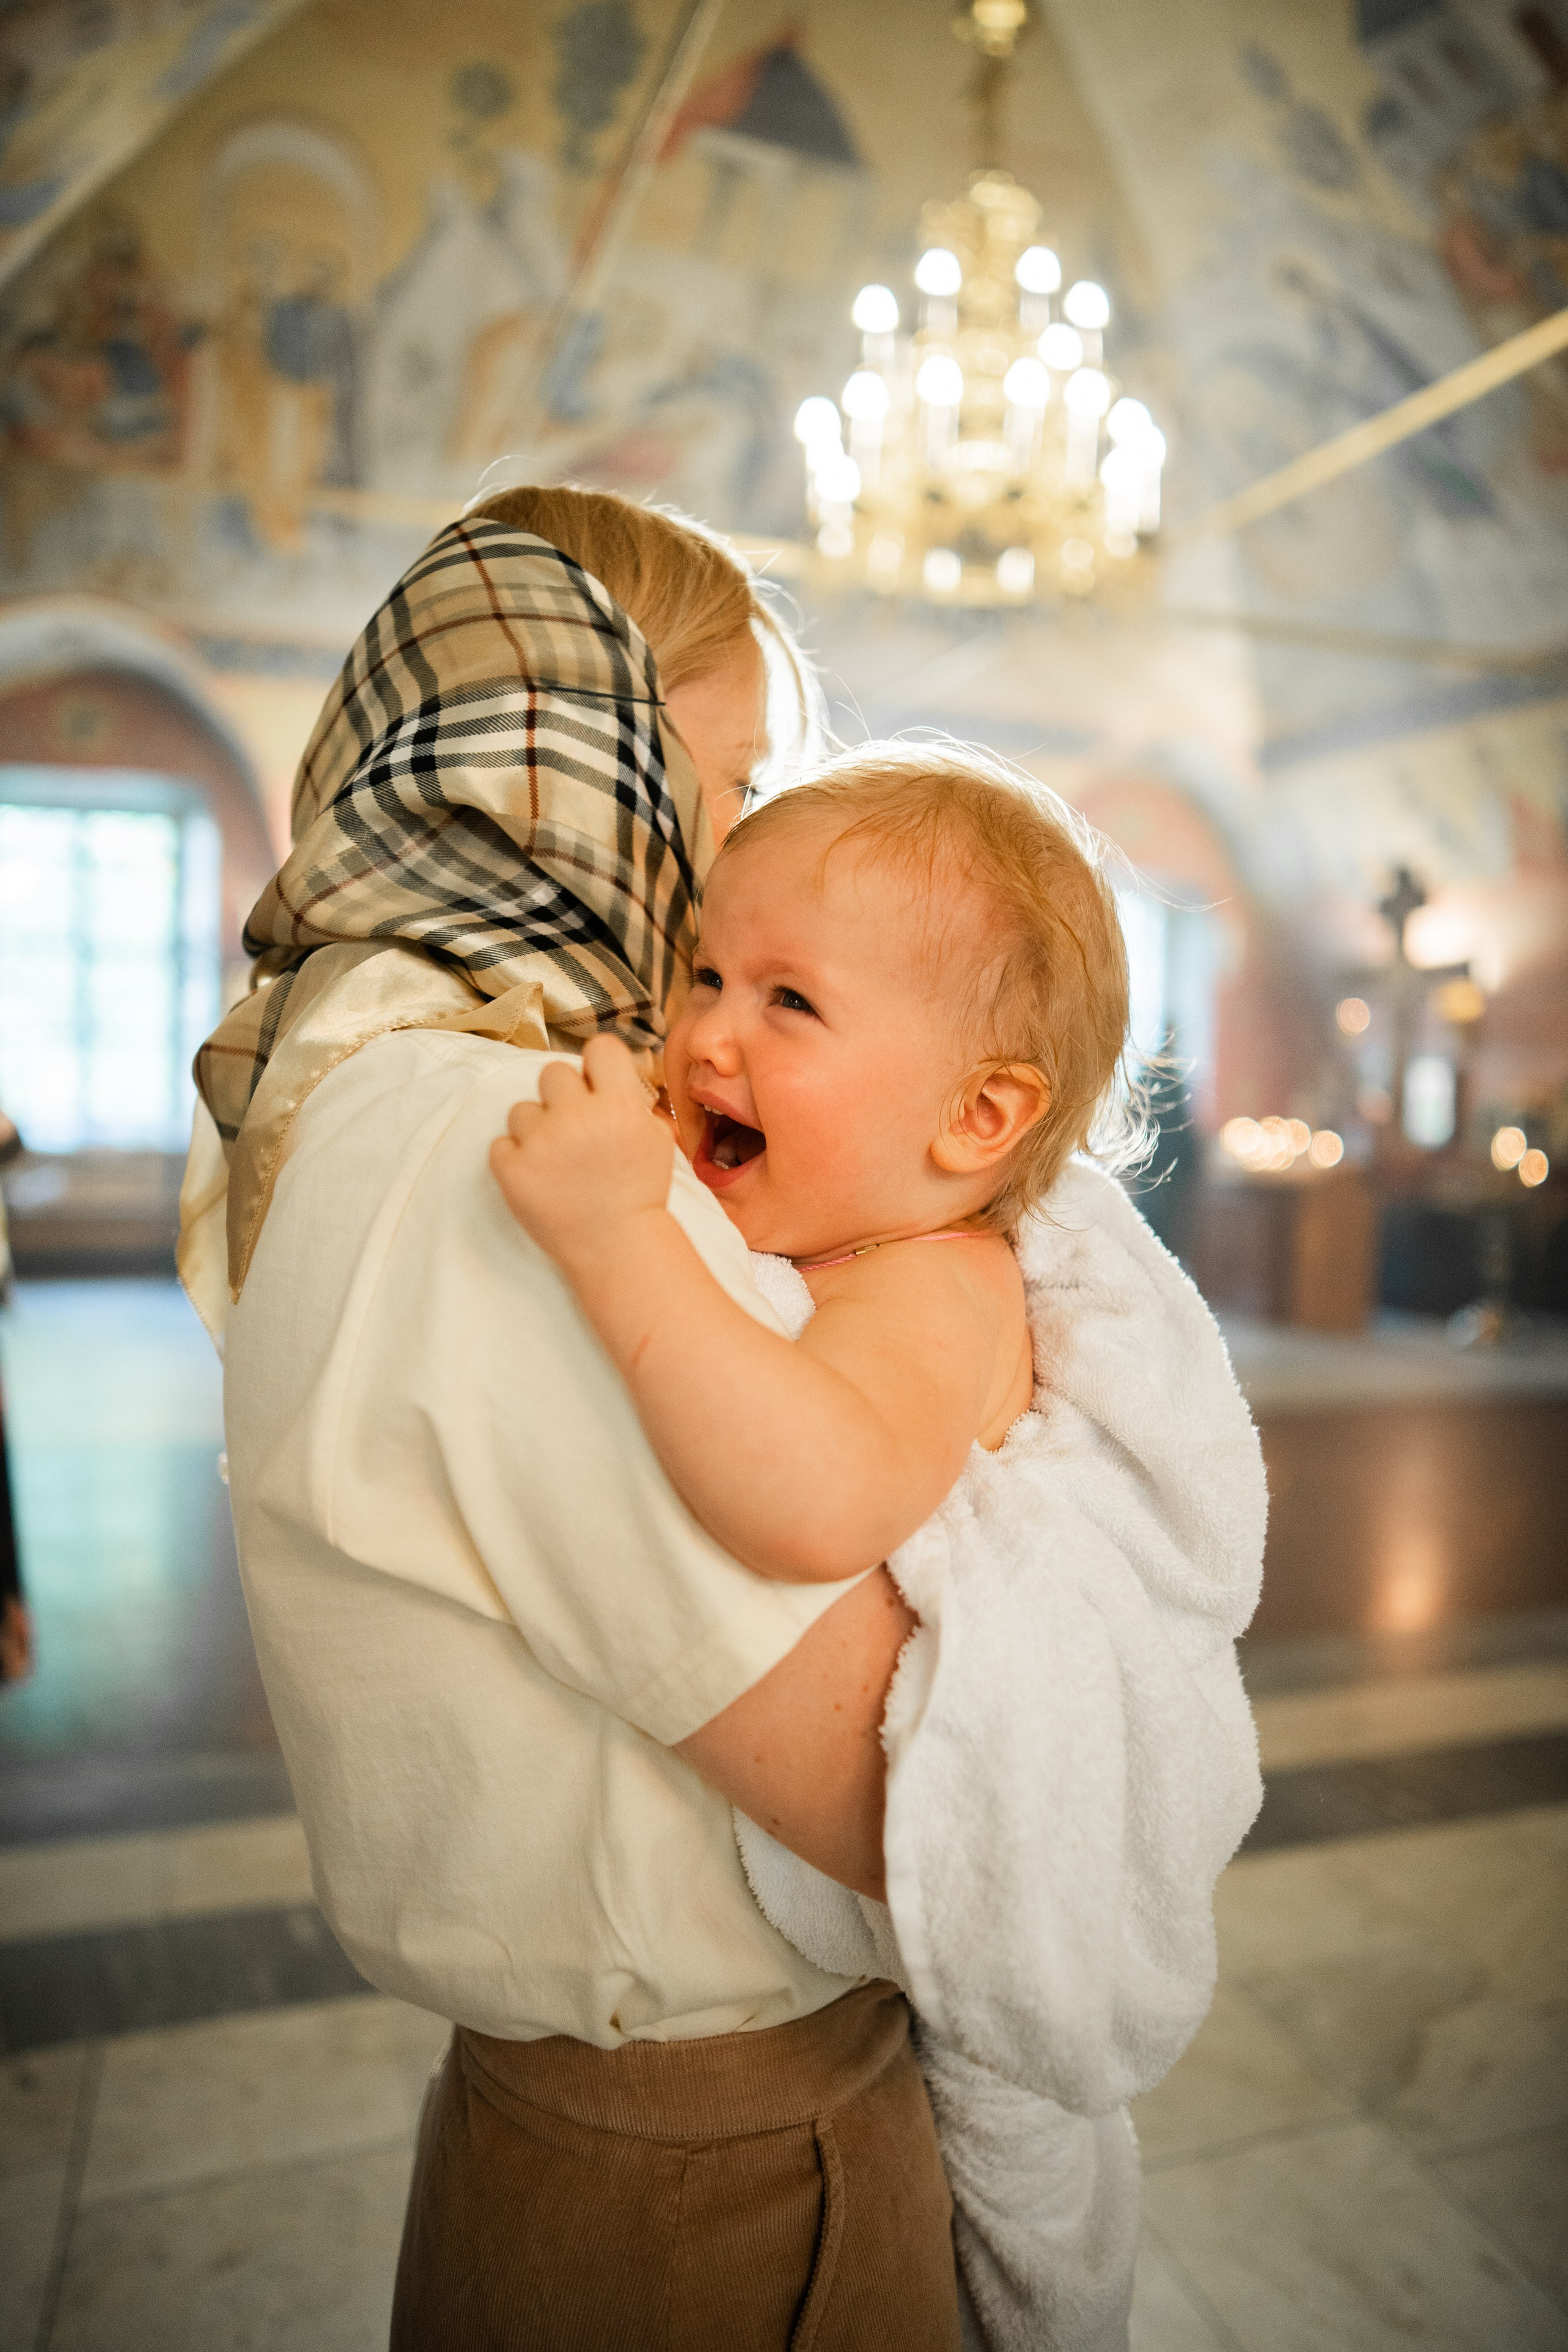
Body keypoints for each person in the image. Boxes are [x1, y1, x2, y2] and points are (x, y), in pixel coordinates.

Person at [179, 488, 967, 2349]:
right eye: (730, 780)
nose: (744, 848)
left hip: (605, 2148)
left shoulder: (390, 1078)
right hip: (715, 2187)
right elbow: (897, 1790)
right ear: (584, 735)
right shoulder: (500, 1139)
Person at [489, 751, 1268, 2346]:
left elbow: (817, 1498)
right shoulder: (852, 1238)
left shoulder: (927, 1282)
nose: (704, 1030)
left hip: (953, 1972)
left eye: (791, 1004)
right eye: (704, 971)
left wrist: (614, 1238)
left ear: (978, 1119)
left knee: (1022, 2289)